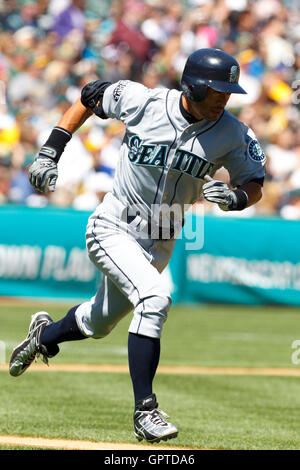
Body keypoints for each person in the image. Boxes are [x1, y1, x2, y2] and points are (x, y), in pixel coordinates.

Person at [9, 48, 265, 443]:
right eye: (216, 91)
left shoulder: (233, 132)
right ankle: (145, 410)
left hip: (161, 239)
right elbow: (89, 96)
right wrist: (49, 152)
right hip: (113, 225)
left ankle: (42, 337)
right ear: (193, 85)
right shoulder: (143, 101)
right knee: (155, 295)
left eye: (228, 92)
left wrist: (238, 198)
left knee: (98, 322)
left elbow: (254, 181)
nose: (223, 99)